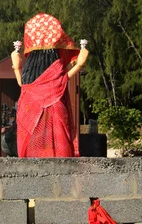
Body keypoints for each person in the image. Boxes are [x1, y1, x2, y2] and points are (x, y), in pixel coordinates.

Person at [11, 13, 88, 158]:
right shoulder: (56, 70)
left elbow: (21, 83)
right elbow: (64, 78)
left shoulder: (28, 75)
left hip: (31, 130)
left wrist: (16, 65)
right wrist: (79, 64)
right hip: (56, 125)